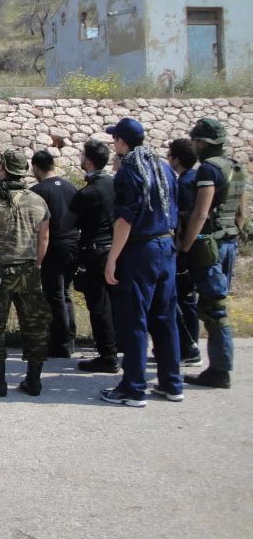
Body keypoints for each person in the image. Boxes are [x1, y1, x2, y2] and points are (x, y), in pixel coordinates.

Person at [101, 117, 182, 407]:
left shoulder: (129, 169)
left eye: (115, 139)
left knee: (134, 319)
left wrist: (112, 258)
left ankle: (133, 388)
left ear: (122, 142)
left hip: (140, 249)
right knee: (165, 318)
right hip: (165, 244)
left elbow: (125, 220)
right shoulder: (163, 167)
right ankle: (172, 383)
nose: (114, 143)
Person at [0, 149, 51, 398]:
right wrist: (37, 264)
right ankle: (34, 381)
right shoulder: (38, 201)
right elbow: (44, 238)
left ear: (3, 168)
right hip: (28, 271)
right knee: (35, 326)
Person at [179, 118, 247, 390]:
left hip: (210, 246)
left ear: (202, 143)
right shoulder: (236, 167)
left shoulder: (208, 169)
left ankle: (219, 369)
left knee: (214, 309)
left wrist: (185, 247)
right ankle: (219, 366)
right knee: (217, 303)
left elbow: (200, 213)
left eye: (195, 141)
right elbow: (241, 213)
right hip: (228, 242)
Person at [68, 139, 120, 373]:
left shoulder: (87, 193)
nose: (79, 158)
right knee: (114, 303)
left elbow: (68, 223)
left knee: (99, 307)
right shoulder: (114, 184)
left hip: (94, 252)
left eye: (82, 155)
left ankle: (107, 356)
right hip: (114, 249)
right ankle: (117, 345)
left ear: (88, 162)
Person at [29, 149, 80, 359]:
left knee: (54, 294)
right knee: (65, 293)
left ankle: (60, 343)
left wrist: (37, 259)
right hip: (74, 244)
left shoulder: (37, 191)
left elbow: (39, 229)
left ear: (35, 168)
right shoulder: (70, 187)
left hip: (54, 247)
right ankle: (70, 338)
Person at [166, 137, 202, 367]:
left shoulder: (185, 183)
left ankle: (189, 347)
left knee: (183, 299)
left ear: (176, 159)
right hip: (192, 247)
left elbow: (184, 219)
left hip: (185, 248)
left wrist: (181, 249)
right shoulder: (193, 178)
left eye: (170, 155)